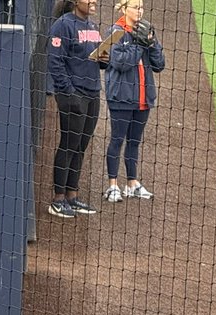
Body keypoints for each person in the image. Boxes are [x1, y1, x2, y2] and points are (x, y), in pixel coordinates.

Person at [102, 0, 164, 202]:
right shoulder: (115, 31)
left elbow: (159, 64)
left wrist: (151, 43)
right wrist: (139, 45)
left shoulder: (146, 30)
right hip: (121, 97)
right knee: (117, 140)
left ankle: (132, 183)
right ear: (125, 9)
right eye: (136, 7)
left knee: (134, 142)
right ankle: (112, 186)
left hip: (142, 98)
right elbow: (120, 63)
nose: (140, 11)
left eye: (142, 7)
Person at [48, 0, 103, 218]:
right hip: (74, 95)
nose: (94, 1)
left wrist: (105, 59)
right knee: (68, 145)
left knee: (81, 146)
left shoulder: (91, 26)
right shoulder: (63, 24)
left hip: (92, 93)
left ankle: (72, 195)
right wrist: (69, 92)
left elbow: (97, 61)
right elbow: (55, 61)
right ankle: (58, 199)